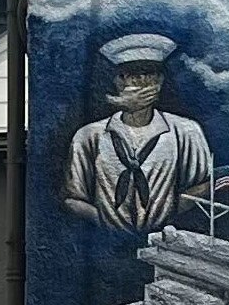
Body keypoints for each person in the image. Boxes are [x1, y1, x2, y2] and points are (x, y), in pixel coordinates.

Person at [61, 32, 217, 235]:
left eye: (149, 74)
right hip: (110, 243)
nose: (141, 82)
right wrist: (108, 223)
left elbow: (202, 186)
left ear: (159, 81)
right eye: (131, 74)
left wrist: (165, 216)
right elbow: (73, 198)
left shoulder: (186, 131)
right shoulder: (89, 136)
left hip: (165, 238)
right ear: (119, 82)